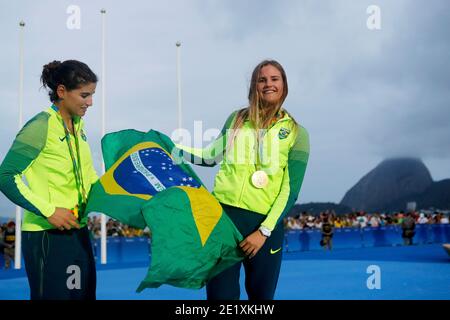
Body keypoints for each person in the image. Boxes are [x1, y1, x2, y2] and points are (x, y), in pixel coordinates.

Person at [175, 60, 310, 300]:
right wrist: (174, 149)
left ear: (284, 85)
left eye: (274, 79)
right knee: (219, 297)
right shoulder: (236, 120)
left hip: (263, 227)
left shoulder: (297, 134)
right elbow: (211, 156)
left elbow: (291, 191)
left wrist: (264, 231)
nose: (268, 84)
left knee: (261, 299)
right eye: (262, 79)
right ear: (254, 86)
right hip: (223, 222)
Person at [0, 60, 99, 299]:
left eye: (92, 95)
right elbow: (5, 176)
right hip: (47, 234)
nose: (90, 102)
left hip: (79, 232)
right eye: (84, 95)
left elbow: (89, 177)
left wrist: (118, 196)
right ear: (62, 91)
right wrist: (49, 211)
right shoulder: (39, 126)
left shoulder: (79, 126)